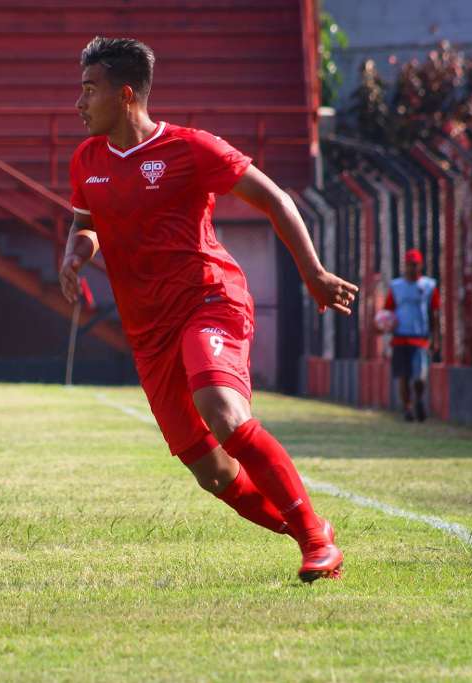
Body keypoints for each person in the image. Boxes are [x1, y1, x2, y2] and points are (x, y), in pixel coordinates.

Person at [59, 36, 358, 582]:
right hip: (148, 331)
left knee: (221, 408)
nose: (78, 103)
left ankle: (315, 542)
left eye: (88, 91)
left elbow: (274, 198)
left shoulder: (191, 148)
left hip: (209, 298)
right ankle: (312, 528)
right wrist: (74, 255)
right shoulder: (87, 159)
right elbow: (86, 226)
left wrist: (312, 273)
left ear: (126, 95)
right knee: (213, 474)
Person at [384, 248, 440, 422]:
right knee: (403, 376)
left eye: (414, 265)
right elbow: (387, 312)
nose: (411, 268)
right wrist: (384, 328)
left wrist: (436, 337)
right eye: (409, 265)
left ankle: (419, 401)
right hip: (400, 338)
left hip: (420, 338)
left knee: (420, 377)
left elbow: (435, 313)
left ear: (420, 265)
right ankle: (407, 408)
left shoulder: (429, 286)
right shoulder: (396, 286)